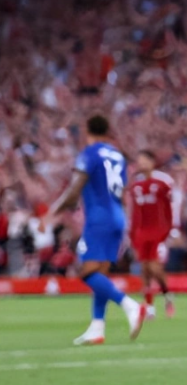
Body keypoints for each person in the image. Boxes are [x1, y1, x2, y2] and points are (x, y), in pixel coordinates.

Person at [42, 115, 145, 345]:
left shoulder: (89, 154)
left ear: (87, 130)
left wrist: (52, 212)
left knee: (86, 271)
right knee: (101, 273)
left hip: (99, 218)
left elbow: (74, 190)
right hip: (117, 217)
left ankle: (130, 305)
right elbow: (123, 189)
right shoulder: (118, 156)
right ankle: (97, 327)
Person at [127, 149, 176, 319]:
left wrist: (170, 229)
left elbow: (169, 209)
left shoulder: (163, 183)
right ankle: (149, 306)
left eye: (144, 160)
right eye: (139, 161)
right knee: (145, 269)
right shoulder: (136, 186)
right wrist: (132, 233)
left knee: (154, 266)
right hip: (142, 231)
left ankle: (167, 294)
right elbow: (134, 213)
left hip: (158, 230)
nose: (141, 164)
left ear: (152, 162)